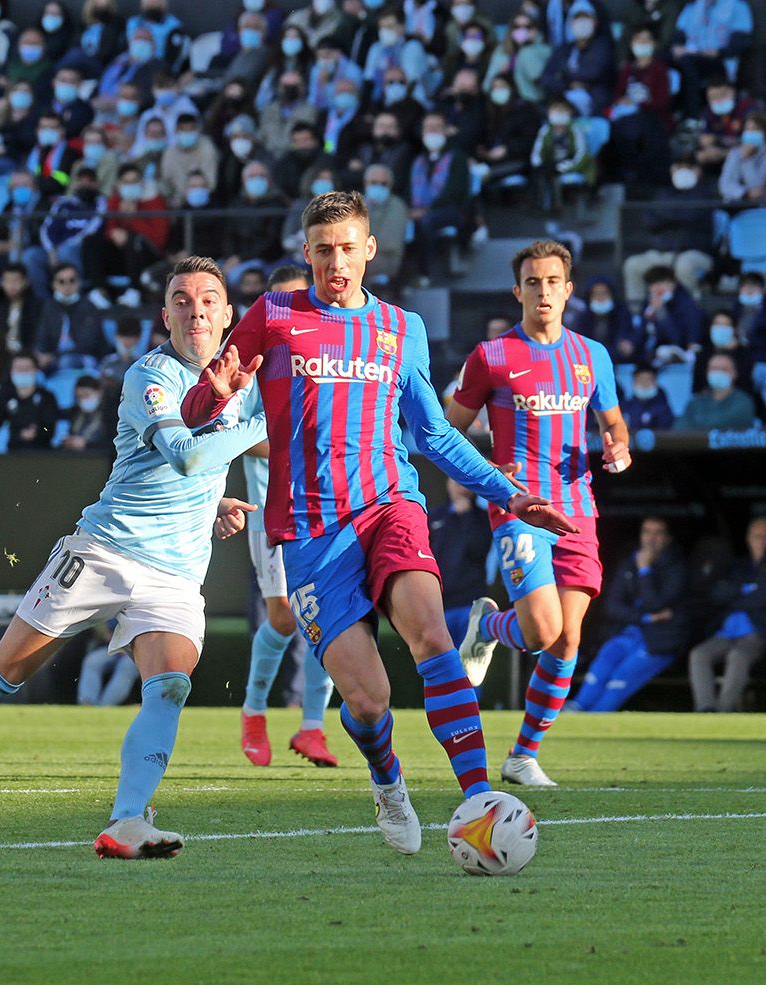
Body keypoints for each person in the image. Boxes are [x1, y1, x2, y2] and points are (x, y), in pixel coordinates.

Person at [182, 194, 576, 855]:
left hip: (390, 504)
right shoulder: (274, 314)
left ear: (370, 249)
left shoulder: (401, 328)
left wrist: (510, 494)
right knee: (368, 700)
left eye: (348, 247)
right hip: (310, 532)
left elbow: (433, 434)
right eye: (323, 249)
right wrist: (215, 389)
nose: (336, 261)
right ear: (305, 253)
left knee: (429, 632)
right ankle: (387, 779)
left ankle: (478, 799)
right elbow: (197, 415)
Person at [0, 257, 266, 860]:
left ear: (227, 313)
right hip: (104, 551)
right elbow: (190, 456)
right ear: (164, 314)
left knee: (168, 686)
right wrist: (259, 424)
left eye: (208, 299)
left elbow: (222, 462)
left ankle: (127, 820)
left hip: (175, 572)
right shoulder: (152, 376)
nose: (195, 309)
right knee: (3, 675)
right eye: (181, 299)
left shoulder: (247, 383)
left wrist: (216, 498)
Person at [450, 240, 630, 789]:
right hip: (521, 509)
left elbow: (614, 424)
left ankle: (522, 756)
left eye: (553, 281)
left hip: (578, 508)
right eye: (533, 282)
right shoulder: (492, 356)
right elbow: (448, 429)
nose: (543, 291)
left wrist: (618, 446)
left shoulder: (591, 355)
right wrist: (487, 474)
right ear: (518, 291)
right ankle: (489, 624)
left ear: (568, 289)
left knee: (568, 640)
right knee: (541, 629)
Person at [236, 265, 336, 769]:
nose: (283, 314)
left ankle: (313, 727)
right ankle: (253, 712)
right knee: (282, 617)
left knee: (332, 619)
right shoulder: (254, 366)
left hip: (329, 507)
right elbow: (235, 436)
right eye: (275, 304)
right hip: (269, 512)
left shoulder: (326, 356)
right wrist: (292, 445)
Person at [571, 517, 687, 712]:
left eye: (658, 533)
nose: (651, 538)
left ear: (667, 538)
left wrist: (645, 570)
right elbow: (613, 606)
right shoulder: (630, 563)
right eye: (647, 532)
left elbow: (655, 604)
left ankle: (595, 720)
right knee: (601, 665)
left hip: (660, 641)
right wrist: (645, 618)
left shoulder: (677, 567)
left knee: (620, 678)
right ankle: (576, 709)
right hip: (630, 633)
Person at [688, 516, 766, 713]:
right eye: (757, 536)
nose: (762, 542)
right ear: (748, 539)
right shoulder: (739, 566)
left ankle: (723, 712)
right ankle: (705, 710)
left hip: (759, 633)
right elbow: (718, 594)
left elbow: (765, 599)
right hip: (727, 632)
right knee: (699, 654)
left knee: (738, 656)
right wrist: (749, 591)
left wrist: (740, 593)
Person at [431, 478, 494, 649]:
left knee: (468, 664)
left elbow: (479, 550)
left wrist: (466, 516)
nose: (459, 486)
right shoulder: (434, 516)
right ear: (447, 482)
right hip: (439, 605)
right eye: (455, 481)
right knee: (438, 664)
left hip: (470, 604)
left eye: (464, 482)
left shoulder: (483, 519)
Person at [675, 352, 757, 431]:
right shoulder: (696, 403)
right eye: (714, 369)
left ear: (734, 373)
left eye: (724, 369)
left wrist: (696, 425)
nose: (718, 373)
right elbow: (679, 429)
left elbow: (720, 424)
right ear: (707, 372)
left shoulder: (743, 402)